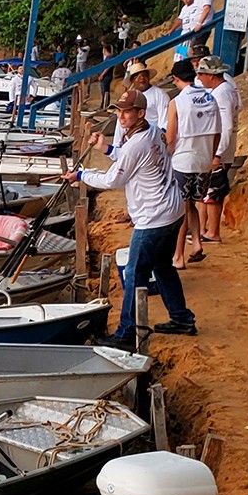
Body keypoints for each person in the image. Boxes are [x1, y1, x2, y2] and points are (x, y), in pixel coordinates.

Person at [61, 92, 196, 348]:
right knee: (162, 267)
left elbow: (114, 180)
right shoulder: (153, 131)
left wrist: (81, 174)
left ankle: (126, 334)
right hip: (172, 209)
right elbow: (129, 159)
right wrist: (107, 148)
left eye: (126, 112)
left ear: (140, 113)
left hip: (154, 217)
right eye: (119, 111)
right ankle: (181, 318)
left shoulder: (138, 143)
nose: (120, 116)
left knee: (135, 273)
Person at [164, 60, 220, 269]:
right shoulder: (210, 98)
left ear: (176, 79)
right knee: (193, 205)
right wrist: (211, 156)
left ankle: (178, 255)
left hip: (183, 161)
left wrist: (167, 158)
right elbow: (217, 133)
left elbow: (171, 137)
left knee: (181, 209)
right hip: (204, 161)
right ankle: (196, 243)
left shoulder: (177, 102)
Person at [197, 56, 240, 243]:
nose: (199, 77)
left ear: (210, 75)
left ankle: (212, 232)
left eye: (201, 73)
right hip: (220, 149)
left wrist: (218, 154)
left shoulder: (221, 93)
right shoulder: (226, 89)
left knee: (213, 192)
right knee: (209, 191)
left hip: (219, 151)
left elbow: (226, 126)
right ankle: (205, 229)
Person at [94, 61, 169, 159]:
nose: (142, 78)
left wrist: (156, 141)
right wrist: (117, 144)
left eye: (144, 75)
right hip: (131, 141)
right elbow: (121, 122)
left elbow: (165, 122)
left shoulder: (160, 95)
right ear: (132, 80)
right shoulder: (128, 97)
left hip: (151, 141)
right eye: (137, 76)